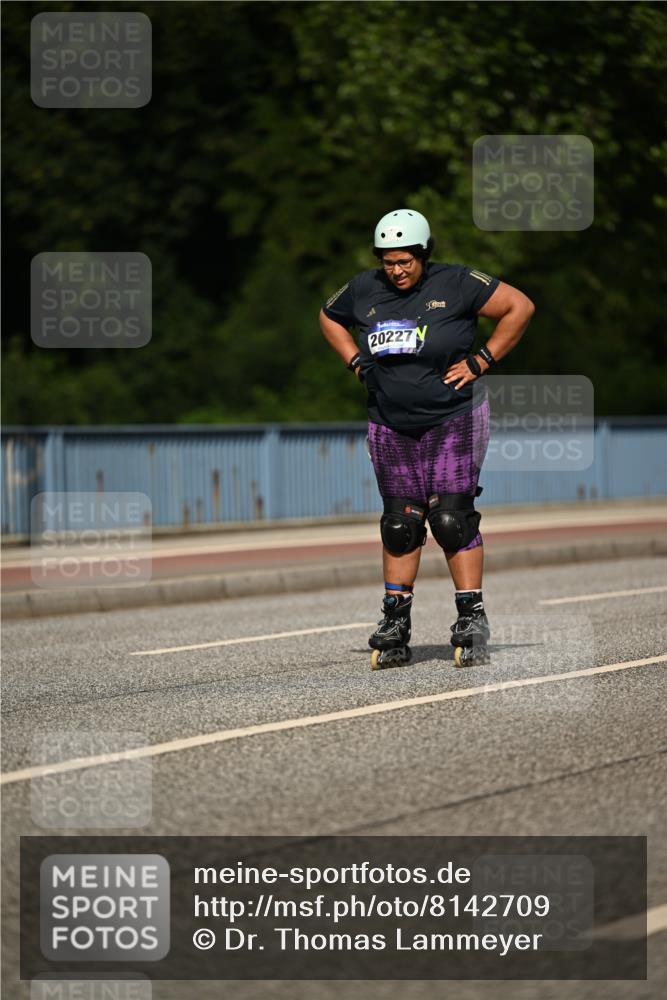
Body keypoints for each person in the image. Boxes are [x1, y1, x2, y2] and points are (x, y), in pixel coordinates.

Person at [319, 208, 535, 668]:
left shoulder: (456, 283)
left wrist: (482, 360)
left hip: (454, 417)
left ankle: (470, 617)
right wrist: (356, 362)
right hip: (390, 422)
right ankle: (396, 622)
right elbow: (328, 316)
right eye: (388, 262)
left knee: (451, 519)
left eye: (405, 261)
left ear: (423, 254)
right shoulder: (363, 289)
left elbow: (520, 306)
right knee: (400, 524)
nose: (396, 271)